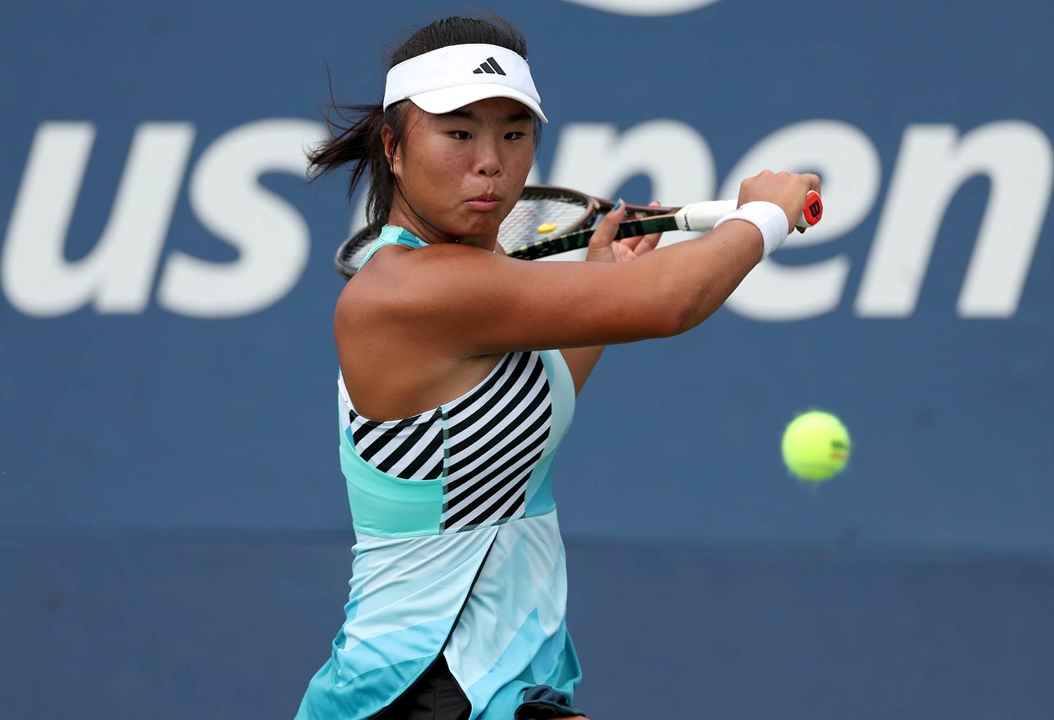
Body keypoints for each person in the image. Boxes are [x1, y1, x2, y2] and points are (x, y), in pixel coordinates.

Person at [296, 14, 820, 720]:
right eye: (459, 132)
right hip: (420, 688)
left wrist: (602, 276)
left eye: (514, 133)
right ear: (393, 147)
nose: (491, 161)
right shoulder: (406, 287)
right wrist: (763, 218)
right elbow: (668, 304)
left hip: (493, 689)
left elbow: (533, 406)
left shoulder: (472, 294)